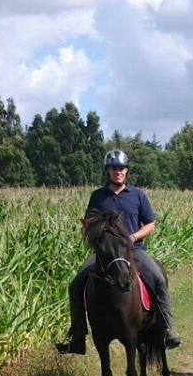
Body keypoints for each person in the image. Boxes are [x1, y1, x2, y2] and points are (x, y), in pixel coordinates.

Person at [55, 149, 181, 354]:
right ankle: (77, 336)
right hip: (104, 253)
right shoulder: (98, 197)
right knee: (76, 283)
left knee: (157, 278)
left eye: (121, 168)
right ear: (108, 171)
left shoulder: (137, 195)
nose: (118, 172)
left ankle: (164, 329)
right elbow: (88, 224)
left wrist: (132, 237)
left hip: (134, 250)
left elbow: (150, 224)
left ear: (127, 171)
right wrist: (94, 234)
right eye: (114, 168)